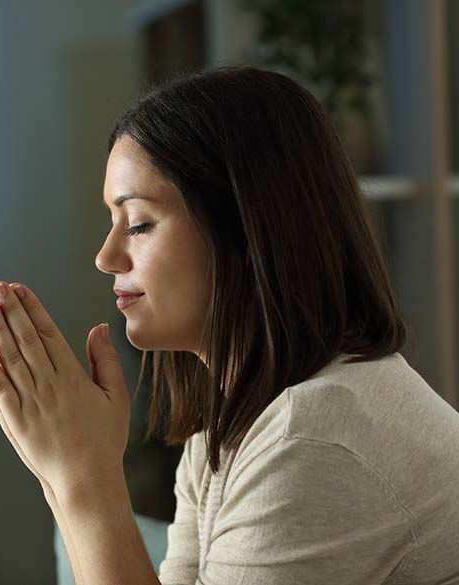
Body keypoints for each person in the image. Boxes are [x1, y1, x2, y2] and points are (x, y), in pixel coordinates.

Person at [93, 65, 459, 584]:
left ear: (245, 228)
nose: (106, 258)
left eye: (138, 224)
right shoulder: (224, 434)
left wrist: (83, 478)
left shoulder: (310, 440)